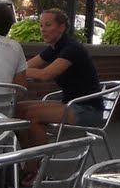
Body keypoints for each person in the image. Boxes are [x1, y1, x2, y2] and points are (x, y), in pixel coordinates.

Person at [16, 8, 103, 151]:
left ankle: (39, 159)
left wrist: (17, 71)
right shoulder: (54, 48)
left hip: (87, 108)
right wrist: (13, 70)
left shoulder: (72, 49)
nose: (43, 29)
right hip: (69, 102)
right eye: (41, 25)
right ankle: (27, 155)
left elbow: (45, 75)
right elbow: (26, 66)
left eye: (48, 25)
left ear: (62, 27)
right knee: (16, 110)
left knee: (31, 115)